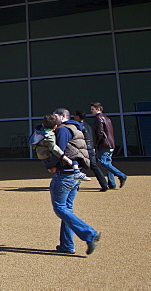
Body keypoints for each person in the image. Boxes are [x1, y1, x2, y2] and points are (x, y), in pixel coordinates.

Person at [47, 111, 101, 255]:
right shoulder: (78, 128)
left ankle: (90, 234)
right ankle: (67, 244)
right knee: (67, 210)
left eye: (55, 116)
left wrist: (50, 165)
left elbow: (59, 151)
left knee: (60, 208)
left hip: (65, 175)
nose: (53, 119)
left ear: (63, 116)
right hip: (75, 174)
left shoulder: (63, 130)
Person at [89, 102, 127, 189]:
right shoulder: (107, 118)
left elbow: (100, 133)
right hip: (111, 144)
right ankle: (112, 183)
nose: (91, 111)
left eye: (92, 109)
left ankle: (121, 175)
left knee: (103, 162)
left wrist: (97, 143)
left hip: (104, 144)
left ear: (98, 109)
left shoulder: (99, 118)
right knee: (108, 163)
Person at [73, 111, 109, 190]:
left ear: (78, 117)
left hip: (84, 149)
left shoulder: (78, 126)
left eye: (75, 115)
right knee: (94, 166)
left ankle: (75, 186)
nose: (74, 117)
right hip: (91, 148)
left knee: (78, 167)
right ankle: (104, 184)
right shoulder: (87, 125)